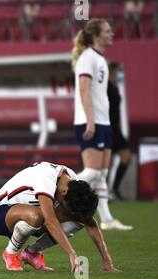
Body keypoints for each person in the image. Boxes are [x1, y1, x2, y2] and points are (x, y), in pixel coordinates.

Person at [0, 162, 119, 272]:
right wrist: (72, 254)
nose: (67, 210)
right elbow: (50, 221)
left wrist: (107, 261)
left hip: (26, 216)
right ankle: (10, 253)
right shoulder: (46, 178)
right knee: (37, 215)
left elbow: (90, 222)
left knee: (80, 219)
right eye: (67, 206)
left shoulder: (71, 180)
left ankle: (31, 253)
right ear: (64, 191)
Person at [71, 18, 132, 231]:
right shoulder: (87, 58)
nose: (112, 34)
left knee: (102, 174)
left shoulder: (100, 59)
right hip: (91, 121)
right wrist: (90, 120)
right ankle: (59, 192)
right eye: (107, 31)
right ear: (96, 36)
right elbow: (84, 89)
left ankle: (106, 219)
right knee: (93, 172)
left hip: (104, 123)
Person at [107, 62, 132, 201]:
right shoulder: (105, 87)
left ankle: (115, 188)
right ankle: (105, 193)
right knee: (108, 163)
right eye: (118, 71)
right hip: (107, 128)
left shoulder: (115, 87)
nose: (119, 74)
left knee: (127, 157)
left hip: (116, 129)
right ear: (112, 71)